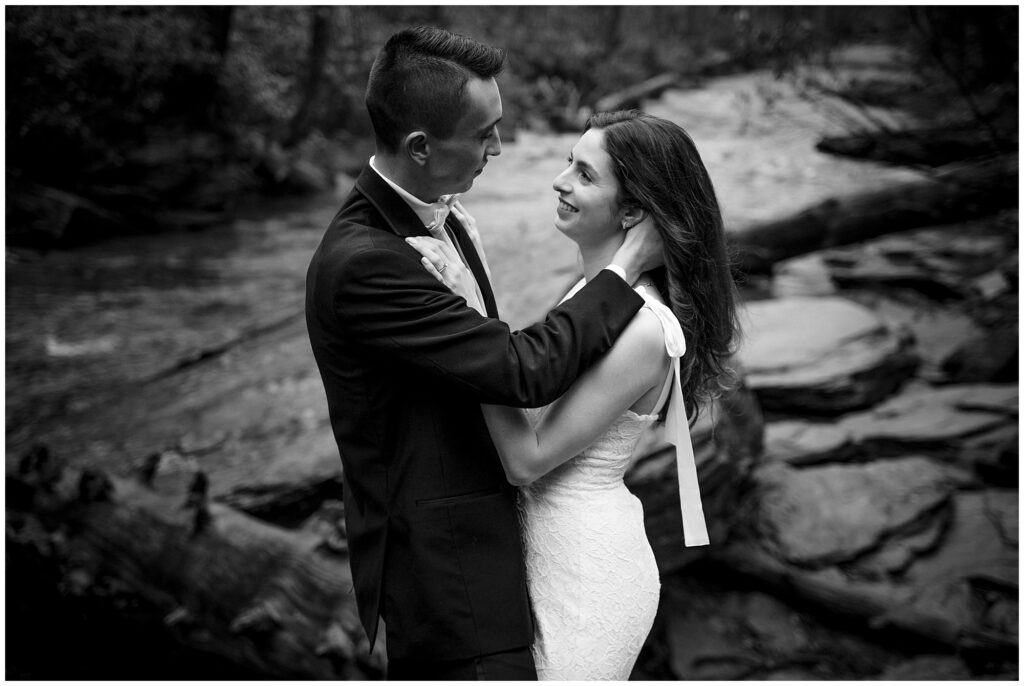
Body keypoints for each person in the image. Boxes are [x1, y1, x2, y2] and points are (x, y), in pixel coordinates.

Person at [304, 28, 663, 680]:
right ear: (419, 148)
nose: (498, 148)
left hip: (506, 549)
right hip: (448, 579)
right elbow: (520, 369)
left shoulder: (441, 215)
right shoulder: (367, 264)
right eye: (484, 133)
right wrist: (627, 268)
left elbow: (482, 352)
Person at [408, 109, 740, 679]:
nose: (560, 182)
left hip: (589, 573)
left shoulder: (643, 329)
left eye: (585, 175)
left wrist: (473, 320)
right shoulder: (593, 293)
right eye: (568, 163)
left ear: (633, 211)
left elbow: (527, 458)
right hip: (548, 553)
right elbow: (527, 377)